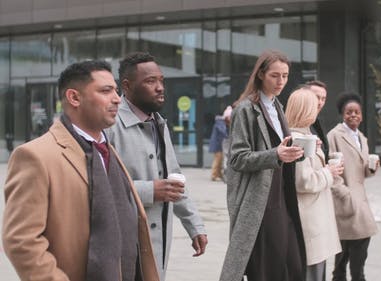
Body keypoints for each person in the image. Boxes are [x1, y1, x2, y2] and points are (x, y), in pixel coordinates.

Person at [2, 60, 158, 281]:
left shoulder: (107, 149)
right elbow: (21, 240)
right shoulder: (35, 156)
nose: (117, 98)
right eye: (106, 91)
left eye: (116, 90)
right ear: (74, 98)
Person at [105, 52, 207, 281]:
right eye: (150, 81)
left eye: (161, 81)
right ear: (127, 86)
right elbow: (96, 184)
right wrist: (149, 190)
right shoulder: (109, 126)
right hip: (124, 244)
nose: (160, 87)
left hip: (157, 243)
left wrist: (195, 226)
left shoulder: (159, 123)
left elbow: (175, 180)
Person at [219, 49, 306, 281]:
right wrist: (274, 154)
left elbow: (278, 150)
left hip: (282, 198)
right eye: (275, 76)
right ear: (260, 75)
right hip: (259, 203)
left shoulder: (277, 106)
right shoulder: (245, 109)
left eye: (285, 76)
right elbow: (236, 159)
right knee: (268, 270)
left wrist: (296, 152)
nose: (281, 82)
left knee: (294, 266)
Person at [285, 87, 344, 281]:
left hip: (313, 219)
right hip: (310, 221)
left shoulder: (303, 135)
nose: (318, 107)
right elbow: (304, 181)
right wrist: (329, 172)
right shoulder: (298, 139)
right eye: (314, 104)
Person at [326, 92, 380, 281]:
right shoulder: (334, 136)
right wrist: (344, 194)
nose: (353, 115)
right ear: (342, 114)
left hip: (360, 201)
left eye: (357, 112)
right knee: (342, 260)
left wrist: (371, 168)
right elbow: (331, 168)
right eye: (349, 112)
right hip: (345, 202)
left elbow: (362, 170)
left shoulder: (362, 138)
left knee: (358, 253)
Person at [305, 80, 330, 159]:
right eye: (317, 97)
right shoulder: (298, 123)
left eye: (323, 99)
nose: (320, 102)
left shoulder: (318, 122)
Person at [209, 114, 228, 181]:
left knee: (220, 160)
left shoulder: (220, 122)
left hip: (219, 144)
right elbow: (223, 132)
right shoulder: (220, 123)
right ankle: (214, 175)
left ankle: (219, 174)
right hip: (217, 145)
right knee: (217, 160)